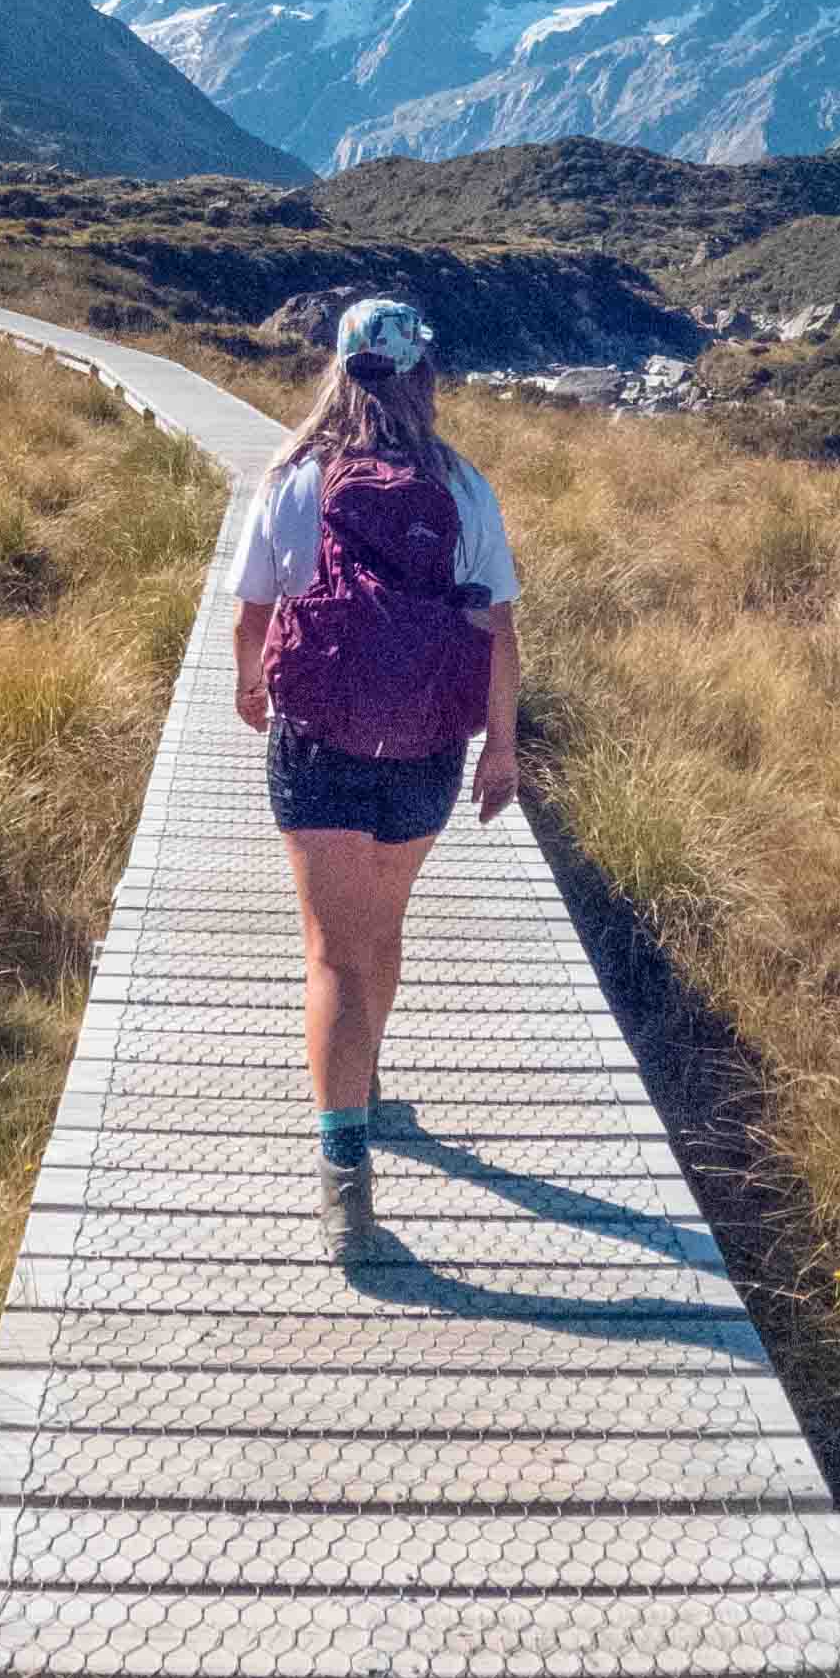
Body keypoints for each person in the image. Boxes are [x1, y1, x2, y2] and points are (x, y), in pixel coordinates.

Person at [231, 293, 521, 1262]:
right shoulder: (461, 484)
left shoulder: (293, 476)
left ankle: (343, 1184)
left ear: (337, 369)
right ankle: (366, 1075)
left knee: (330, 957)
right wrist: (501, 747)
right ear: (421, 374)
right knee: (380, 930)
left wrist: (250, 685)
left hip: (317, 742)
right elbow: (497, 630)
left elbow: (253, 612)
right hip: (425, 749)